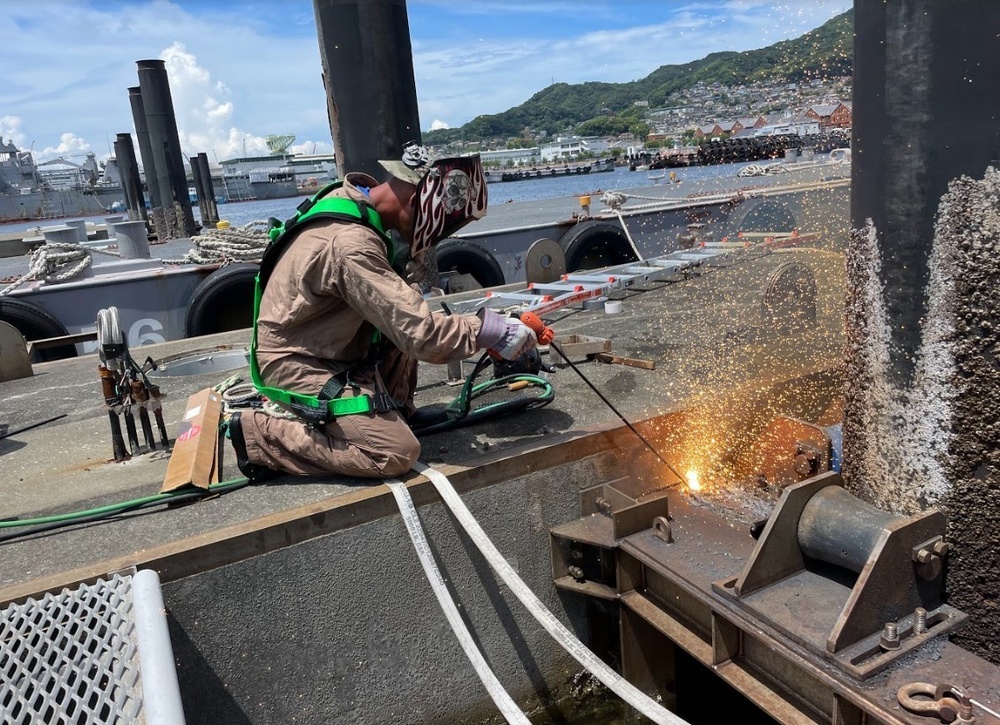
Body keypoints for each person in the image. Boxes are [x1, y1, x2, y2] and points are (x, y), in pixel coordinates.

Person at [227, 142, 537, 481]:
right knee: (394, 453)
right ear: (418, 200)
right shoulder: (352, 245)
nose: (435, 235)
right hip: (297, 360)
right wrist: (488, 330)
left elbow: (402, 316)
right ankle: (259, 436)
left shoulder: (354, 204)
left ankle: (398, 411)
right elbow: (423, 335)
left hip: (328, 342)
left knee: (401, 311)